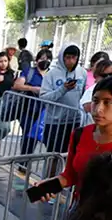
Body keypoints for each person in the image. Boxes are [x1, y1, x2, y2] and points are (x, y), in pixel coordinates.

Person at [35, 76, 112, 204]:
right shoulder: (80, 134)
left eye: (107, 102)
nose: (99, 109)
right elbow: (70, 175)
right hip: (80, 210)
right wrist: (49, 186)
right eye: (95, 100)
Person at [37, 44, 86, 167]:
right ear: (62, 57)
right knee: (53, 155)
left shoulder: (82, 73)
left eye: (74, 58)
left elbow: (82, 94)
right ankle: (50, 177)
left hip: (74, 120)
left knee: (69, 155)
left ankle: (65, 177)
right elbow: (43, 97)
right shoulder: (51, 74)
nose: (71, 61)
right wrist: (62, 89)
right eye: (68, 57)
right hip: (55, 121)